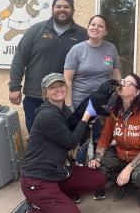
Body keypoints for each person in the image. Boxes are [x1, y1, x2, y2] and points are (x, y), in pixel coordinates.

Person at [18, 73, 107, 213]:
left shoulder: (63, 110)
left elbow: (77, 134)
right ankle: (32, 209)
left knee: (98, 179)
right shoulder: (47, 115)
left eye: (61, 85)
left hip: (57, 172)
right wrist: (86, 117)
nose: (59, 89)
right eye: (53, 87)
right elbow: (71, 142)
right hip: (37, 180)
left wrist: (88, 125)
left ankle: (55, 198)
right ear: (45, 93)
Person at [8, 0, 87, 132]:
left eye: (66, 7)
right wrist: (14, 87)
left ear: (73, 11)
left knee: (63, 139)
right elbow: (20, 58)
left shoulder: (82, 35)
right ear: (52, 9)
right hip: (36, 96)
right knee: (36, 136)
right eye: (59, 6)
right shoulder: (36, 30)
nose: (62, 9)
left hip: (66, 99)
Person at [88, 74, 140, 210]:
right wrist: (97, 158)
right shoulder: (114, 112)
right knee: (97, 168)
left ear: (137, 91)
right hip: (120, 154)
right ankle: (126, 183)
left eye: (127, 83)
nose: (122, 84)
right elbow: (105, 138)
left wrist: (128, 169)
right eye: (122, 81)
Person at [64, 15, 121, 164]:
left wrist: (119, 97)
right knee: (81, 142)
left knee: (100, 139)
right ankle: (78, 174)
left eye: (100, 26)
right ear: (88, 27)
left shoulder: (111, 48)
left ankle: (96, 175)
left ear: (106, 31)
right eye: (93, 24)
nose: (95, 28)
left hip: (104, 105)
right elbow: (67, 79)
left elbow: (116, 74)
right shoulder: (77, 49)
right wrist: (70, 106)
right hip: (81, 104)